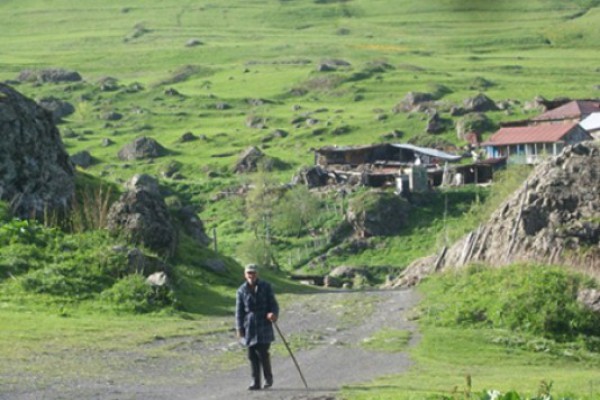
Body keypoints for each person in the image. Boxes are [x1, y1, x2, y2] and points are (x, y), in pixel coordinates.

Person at [235, 263, 279, 390]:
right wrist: (239, 329)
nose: (251, 275)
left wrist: (273, 314)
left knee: (262, 353)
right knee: (251, 354)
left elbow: (273, 304)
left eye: (253, 273)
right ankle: (255, 381)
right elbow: (239, 312)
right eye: (249, 273)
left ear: (257, 274)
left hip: (264, 323)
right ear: (245, 275)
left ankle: (268, 378)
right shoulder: (241, 290)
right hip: (249, 326)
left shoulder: (266, 286)